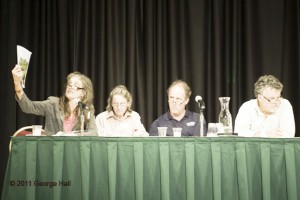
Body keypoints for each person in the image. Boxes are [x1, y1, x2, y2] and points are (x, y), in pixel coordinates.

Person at [12, 65, 97, 135]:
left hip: (74, 151)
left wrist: (72, 135)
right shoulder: (53, 104)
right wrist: (17, 85)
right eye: (69, 84)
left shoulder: (87, 109)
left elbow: (93, 133)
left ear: (83, 93)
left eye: (76, 85)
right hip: (53, 150)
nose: (71, 87)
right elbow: (28, 107)